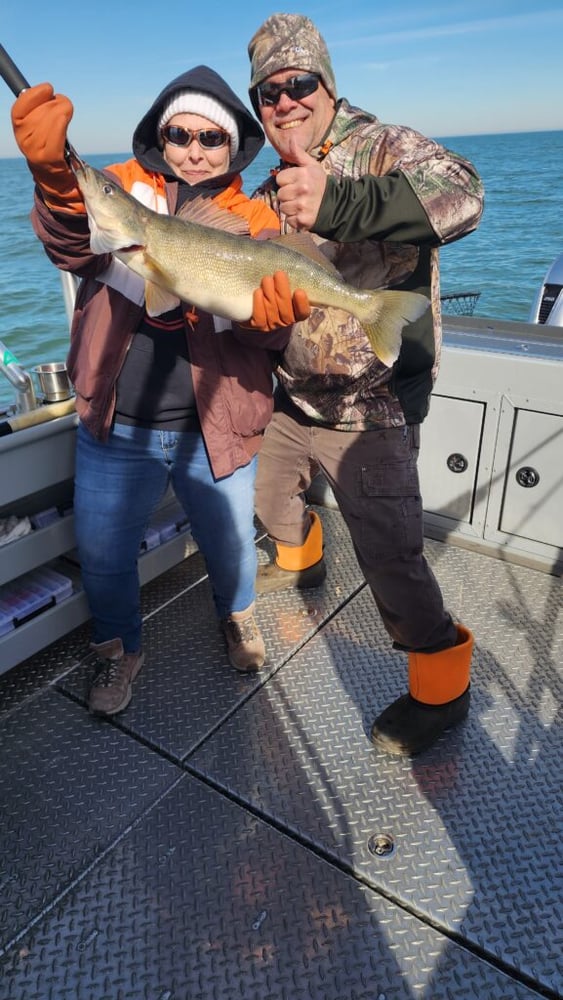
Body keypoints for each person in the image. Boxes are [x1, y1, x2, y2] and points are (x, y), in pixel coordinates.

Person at [11, 64, 300, 715]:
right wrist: (55, 179)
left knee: (230, 550)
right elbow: (70, 243)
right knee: (105, 555)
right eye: (179, 134)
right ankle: (117, 650)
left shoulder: (254, 218)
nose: (194, 150)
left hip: (217, 425)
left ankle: (238, 616)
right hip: (119, 424)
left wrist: (273, 323)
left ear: (234, 147)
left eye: (212, 138)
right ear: (159, 137)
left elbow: (268, 340)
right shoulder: (119, 189)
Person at [245, 13, 485, 756]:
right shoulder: (265, 183)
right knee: (269, 503)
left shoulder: (383, 146)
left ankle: (440, 688)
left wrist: (340, 202)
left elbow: (465, 197)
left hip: (373, 407)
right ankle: (302, 560)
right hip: (291, 394)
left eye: (298, 84)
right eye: (268, 93)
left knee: (390, 556)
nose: (285, 102)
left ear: (326, 84)